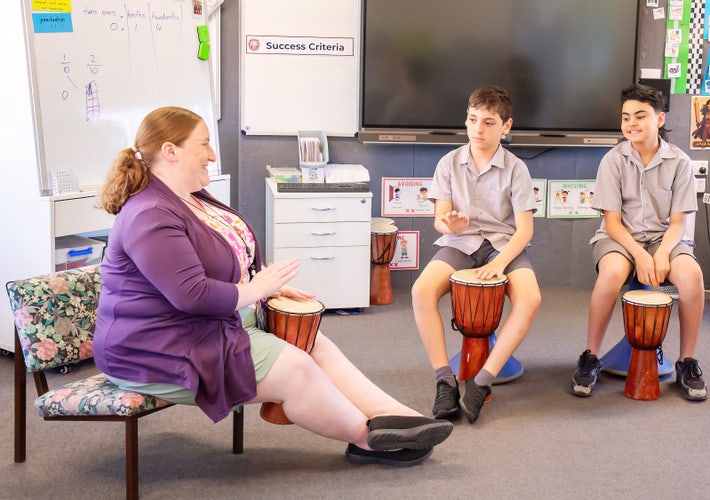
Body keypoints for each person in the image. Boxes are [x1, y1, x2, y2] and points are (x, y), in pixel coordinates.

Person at [93, 106, 453, 468]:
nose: (212, 154)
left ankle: (399, 416)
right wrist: (257, 289)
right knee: (296, 368)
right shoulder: (149, 213)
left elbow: (222, 257)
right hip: (154, 348)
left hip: (206, 325)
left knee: (313, 343)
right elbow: (192, 294)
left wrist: (262, 286)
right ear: (171, 151)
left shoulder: (190, 197)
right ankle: (369, 438)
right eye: (203, 144)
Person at [412, 85, 541, 423]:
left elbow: (525, 230)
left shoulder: (517, 169)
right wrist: (450, 224)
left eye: (488, 122)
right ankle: (444, 380)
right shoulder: (448, 163)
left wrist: (499, 264)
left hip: (504, 247)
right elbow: (441, 221)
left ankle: (482, 382)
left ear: (506, 126)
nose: (478, 129)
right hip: (461, 244)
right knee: (421, 291)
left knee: (531, 299)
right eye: (472, 120)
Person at [570, 83, 707, 401]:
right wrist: (642, 257)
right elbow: (613, 224)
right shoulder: (613, 160)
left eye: (640, 116)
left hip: (664, 238)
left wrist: (662, 255)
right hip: (619, 238)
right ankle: (590, 356)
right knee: (613, 274)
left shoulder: (680, 162)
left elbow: (677, 223)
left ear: (659, 119)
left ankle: (687, 362)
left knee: (692, 277)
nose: (631, 123)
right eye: (626, 117)